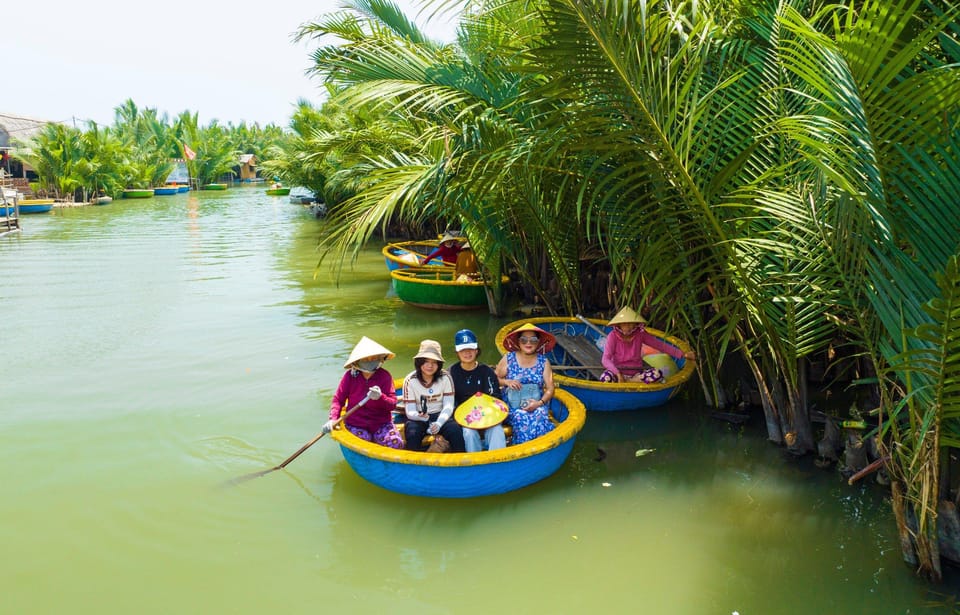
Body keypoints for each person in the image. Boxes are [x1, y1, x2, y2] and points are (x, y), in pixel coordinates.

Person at [324, 336, 404, 448]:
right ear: (357, 362)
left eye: (374, 358)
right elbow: (338, 400)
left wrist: (380, 397)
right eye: (366, 359)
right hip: (356, 423)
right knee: (362, 443)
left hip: (381, 423)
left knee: (395, 443)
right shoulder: (349, 377)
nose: (370, 362)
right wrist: (333, 419)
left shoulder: (385, 376)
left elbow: (392, 404)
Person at [600, 306, 696, 383]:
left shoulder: (640, 333)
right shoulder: (612, 336)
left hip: (636, 374)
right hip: (618, 372)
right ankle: (627, 381)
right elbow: (605, 359)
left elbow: (660, 345)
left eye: (631, 324)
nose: (628, 327)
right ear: (619, 324)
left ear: (635, 324)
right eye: (624, 324)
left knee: (657, 374)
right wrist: (618, 374)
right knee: (605, 378)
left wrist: (683, 354)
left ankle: (630, 381)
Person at [496, 322, 556, 445]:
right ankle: (522, 449)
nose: (528, 343)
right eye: (524, 340)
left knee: (540, 415)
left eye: (533, 340)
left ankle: (540, 449)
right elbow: (494, 379)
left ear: (538, 342)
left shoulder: (543, 362)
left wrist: (539, 403)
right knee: (520, 416)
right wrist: (506, 381)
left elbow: (550, 389)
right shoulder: (509, 358)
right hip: (513, 406)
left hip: (536, 404)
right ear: (518, 342)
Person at [402, 339, 466, 452]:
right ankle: (413, 465)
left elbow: (448, 406)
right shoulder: (410, 380)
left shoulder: (446, 377)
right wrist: (420, 416)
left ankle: (459, 461)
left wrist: (439, 423)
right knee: (412, 432)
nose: (430, 366)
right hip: (419, 417)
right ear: (419, 362)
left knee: (455, 430)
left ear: (439, 364)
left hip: (441, 415)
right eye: (426, 361)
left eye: (434, 362)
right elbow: (410, 410)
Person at [449, 329, 505, 452]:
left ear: (476, 350)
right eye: (463, 350)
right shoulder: (451, 373)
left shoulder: (486, 371)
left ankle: (498, 459)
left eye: (470, 349)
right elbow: (450, 401)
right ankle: (475, 461)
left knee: (496, 429)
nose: (467, 353)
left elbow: (495, 396)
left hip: (488, 413)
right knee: (469, 432)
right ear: (457, 352)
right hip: (463, 417)